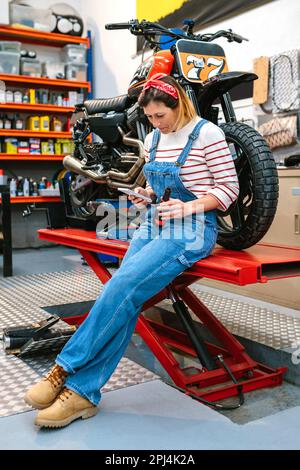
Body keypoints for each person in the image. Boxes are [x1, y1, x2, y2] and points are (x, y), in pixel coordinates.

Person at [24, 73, 239, 428]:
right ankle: (82, 394)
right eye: (150, 118)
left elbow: (228, 191)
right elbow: (158, 190)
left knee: (121, 288)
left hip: (193, 228)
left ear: (178, 104)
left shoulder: (208, 134)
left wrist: (187, 207)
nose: (156, 124)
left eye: (161, 116)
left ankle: (64, 368)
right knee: (123, 294)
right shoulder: (153, 138)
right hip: (156, 221)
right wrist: (147, 196)